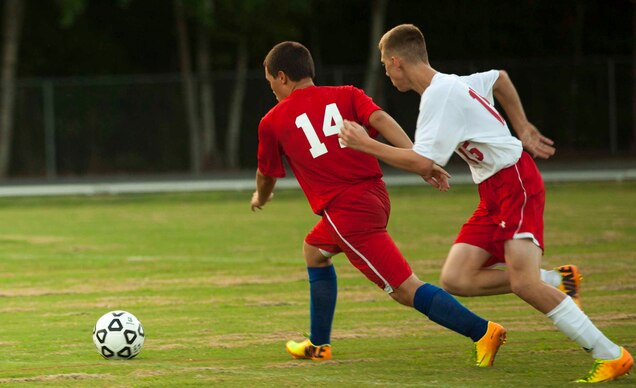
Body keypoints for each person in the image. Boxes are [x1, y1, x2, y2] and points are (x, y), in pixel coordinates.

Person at [337, 23, 633, 383]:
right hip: (493, 191)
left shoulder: (438, 95)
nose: (385, 71)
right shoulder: (451, 83)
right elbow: (500, 79)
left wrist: (364, 143)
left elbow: (421, 161)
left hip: (515, 184)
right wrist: (520, 127)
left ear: (397, 61)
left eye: (385, 64)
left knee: (525, 285)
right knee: (456, 277)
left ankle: (611, 354)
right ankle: (554, 280)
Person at [251, 40, 507, 368]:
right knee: (314, 251)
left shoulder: (272, 121)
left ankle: (483, 331)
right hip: (375, 197)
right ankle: (318, 345)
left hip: (348, 213)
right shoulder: (347, 93)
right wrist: (419, 158)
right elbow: (382, 120)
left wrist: (261, 195)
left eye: (270, 79)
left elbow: (266, 173)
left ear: (282, 77)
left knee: (404, 289)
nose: (270, 86)